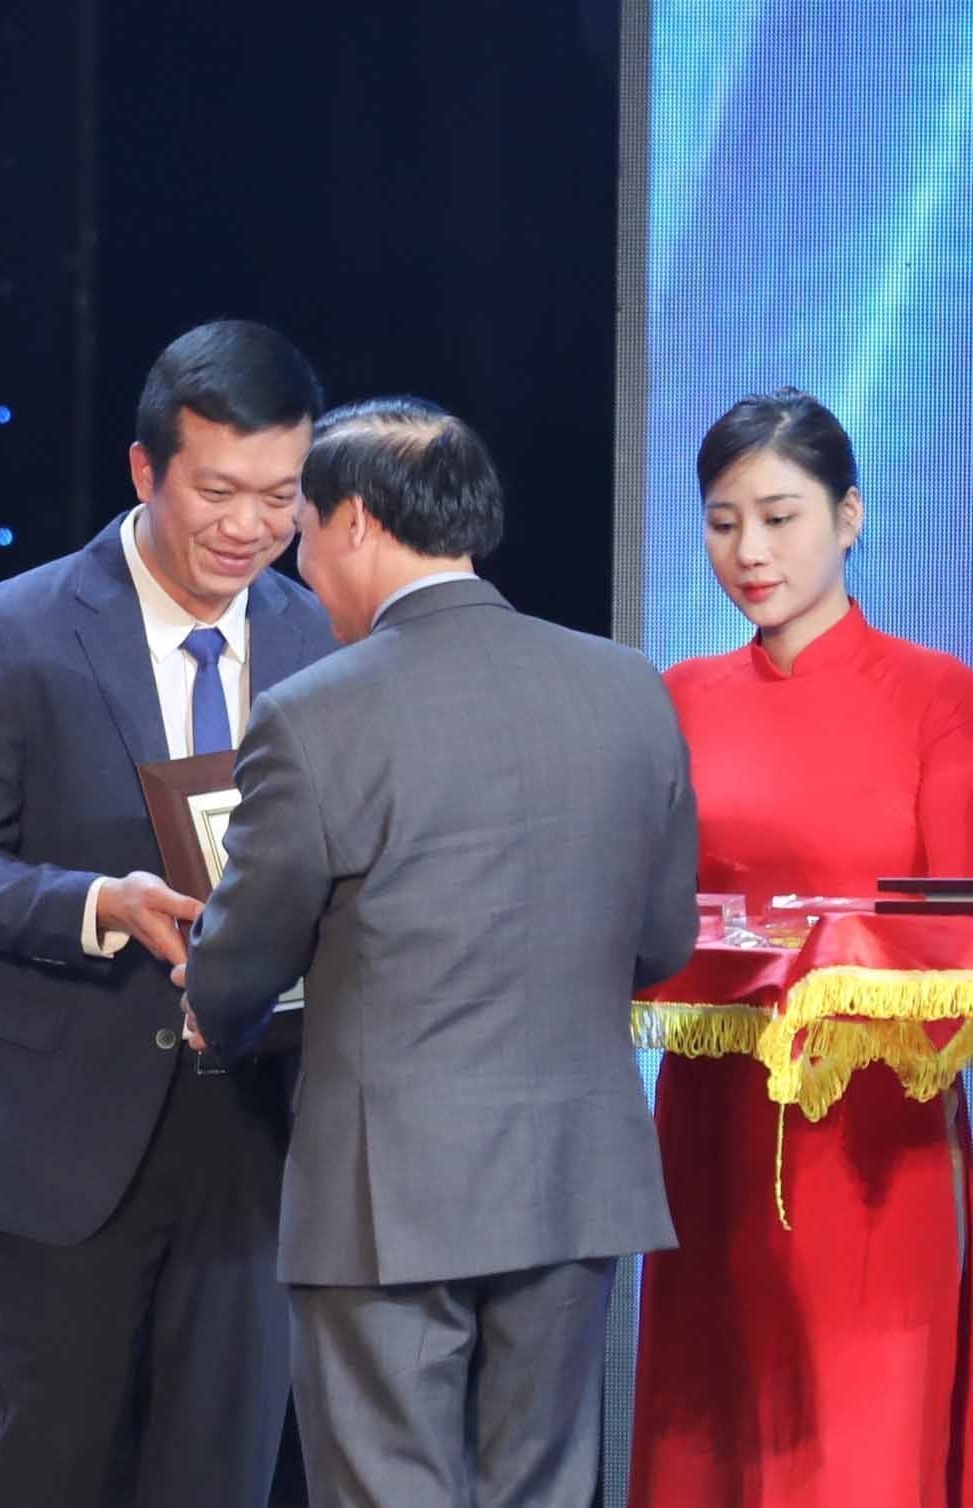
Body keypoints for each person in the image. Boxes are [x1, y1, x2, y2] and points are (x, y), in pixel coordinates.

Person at [179, 397, 699, 1508]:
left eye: (302, 533)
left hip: (388, 1189)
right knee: (541, 1487)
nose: (301, 567)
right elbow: (661, 941)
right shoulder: (627, 686)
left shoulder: (313, 714)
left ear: (355, 522)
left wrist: (211, 1001)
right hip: (573, 1176)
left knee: (388, 1488)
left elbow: (238, 963)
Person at [0, 319, 335, 1507]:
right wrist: (100, 902)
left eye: (280, 496)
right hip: (68, 1114)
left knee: (221, 1467)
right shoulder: (14, 626)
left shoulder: (321, 635)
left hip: (261, 1123)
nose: (249, 526)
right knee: (57, 1460)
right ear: (146, 469)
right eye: (218, 492)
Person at [630, 387, 973, 1506]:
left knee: (858, 1425)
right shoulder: (681, 696)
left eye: (780, 518)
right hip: (712, 1111)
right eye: (724, 522)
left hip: (871, 1126)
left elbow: (956, 923)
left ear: (850, 516)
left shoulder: (938, 695)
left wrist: (831, 954)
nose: (750, 551)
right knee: (708, 1417)